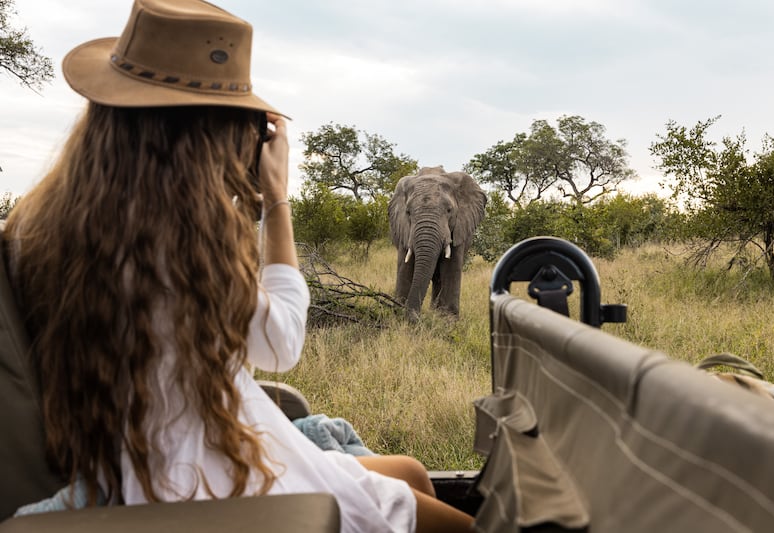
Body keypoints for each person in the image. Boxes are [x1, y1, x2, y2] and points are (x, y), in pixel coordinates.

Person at [1, 0, 473, 531]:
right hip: (202, 470)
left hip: (138, 455)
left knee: (409, 469)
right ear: (206, 135)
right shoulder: (178, 238)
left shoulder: (38, 225)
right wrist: (275, 198)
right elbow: (281, 344)